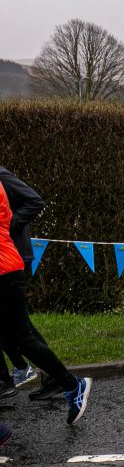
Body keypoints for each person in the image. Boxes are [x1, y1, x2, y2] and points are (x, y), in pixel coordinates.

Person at [0, 169, 92, 425]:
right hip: (6, 268)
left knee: (23, 338)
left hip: (5, 272)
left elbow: (27, 206)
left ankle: (71, 384)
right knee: (14, 337)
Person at [0, 167, 44, 392]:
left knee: (20, 326)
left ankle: (53, 376)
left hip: (12, 255)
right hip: (7, 256)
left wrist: (7, 226)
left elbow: (35, 201)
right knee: (16, 325)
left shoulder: (1, 175)